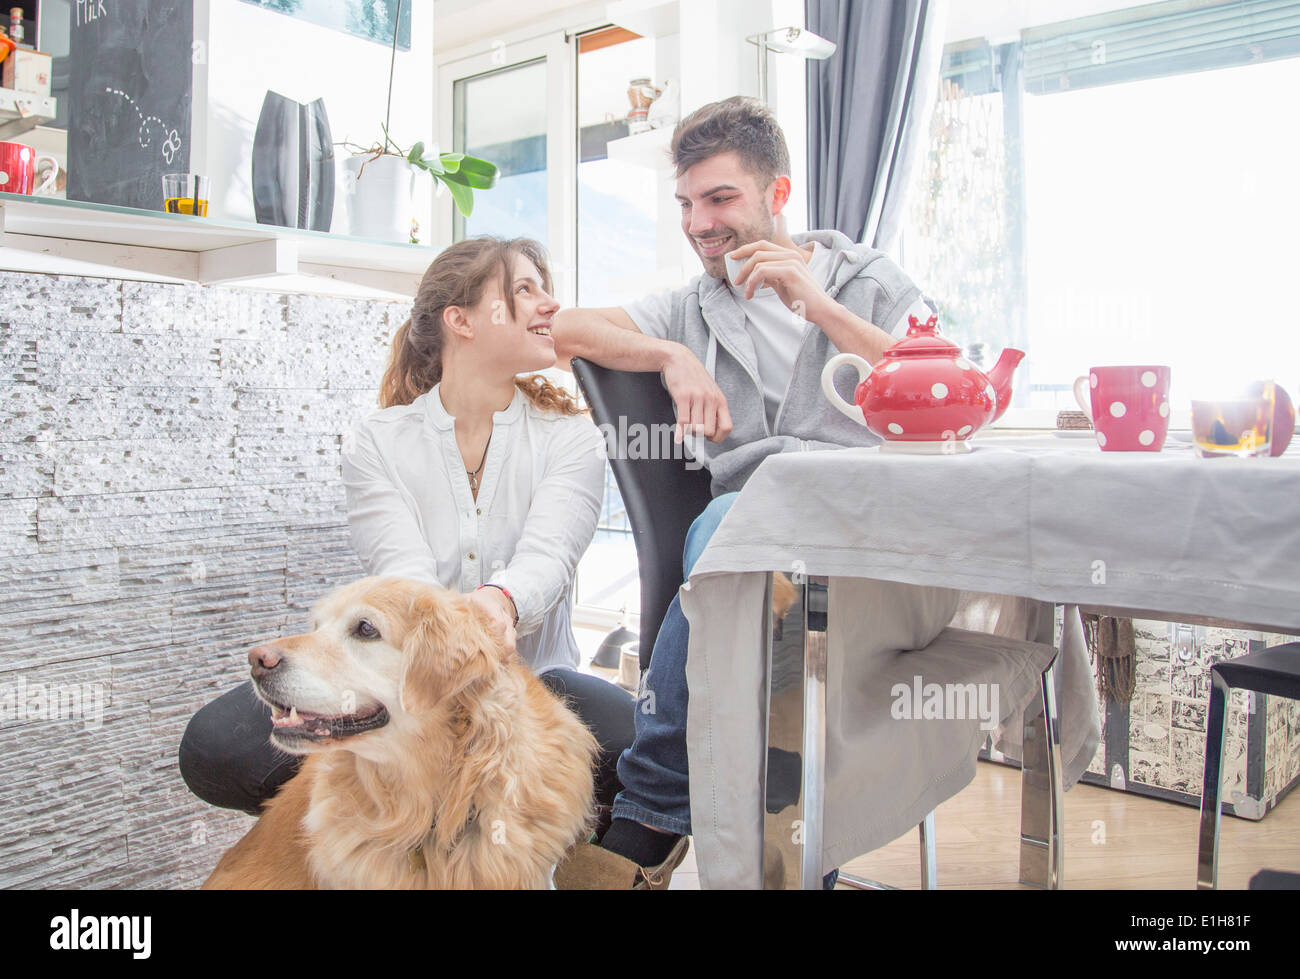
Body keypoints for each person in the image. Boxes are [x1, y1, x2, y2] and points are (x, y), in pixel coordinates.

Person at [551, 96, 934, 888]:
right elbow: (565, 332)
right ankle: (765, 820)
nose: (699, 223)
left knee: (733, 537)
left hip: (865, 530)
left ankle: (652, 811)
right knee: (734, 529)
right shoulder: (693, 306)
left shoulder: (865, 279)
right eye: (687, 204)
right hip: (748, 547)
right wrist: (668, 356)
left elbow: (940, 383)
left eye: (720, 199)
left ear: (778, 195)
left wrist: (819, 308)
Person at [180, 237, 636, 840]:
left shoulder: (571, 438)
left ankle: (531, 846)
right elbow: (403, 578)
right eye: (524, 289)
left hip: (530, 683)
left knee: (645, 746)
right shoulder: (378, 441)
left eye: (544, 287)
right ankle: (388, 828)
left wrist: (499, 606)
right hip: (397, 683)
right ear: (461, 320)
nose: (549, 304)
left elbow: (548, 559)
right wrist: (438, 653)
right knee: (214, 749)